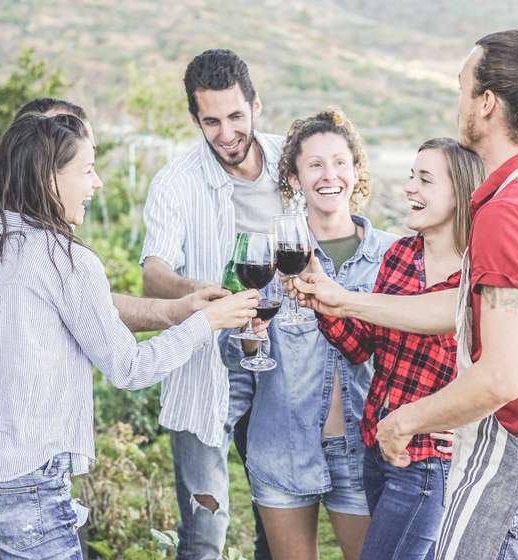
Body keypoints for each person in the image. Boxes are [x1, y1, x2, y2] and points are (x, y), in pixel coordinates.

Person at [293, 29, 518, 560]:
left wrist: (405, 420)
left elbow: (500, 378)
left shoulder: (510, 212)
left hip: (516, 467)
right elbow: (461, 310)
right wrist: (340, 300)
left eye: (462, 88)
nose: (456, 102)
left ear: (486, 104)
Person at [0, 113, 259, 558]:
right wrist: (207, 323)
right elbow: (129, 368)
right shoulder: (64, 259)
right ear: (49, 178)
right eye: (87, 170)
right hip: (19, 486)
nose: (98, 183)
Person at [220, 108, 398, 560]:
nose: (329, 175)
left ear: (356, 172)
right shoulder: (271, 252)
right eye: (314, 165)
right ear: (295, 179)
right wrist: (248, 333)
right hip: (282, 446)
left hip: (364, 449)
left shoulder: (392, 256)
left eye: (340, 162)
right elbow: (235, 353)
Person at [140, 49, 282, 559]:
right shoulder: (175, 182)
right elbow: (153, 272)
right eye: (212, 121)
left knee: (281, 512)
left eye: (236, 116)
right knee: (204, 530)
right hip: (206, 359)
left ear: (256, 106)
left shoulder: (293, 163)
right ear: (195, 119)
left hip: (282, 355)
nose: (227, 133)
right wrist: (197, 292)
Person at [314, 138, 483, 560]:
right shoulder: (400, 255)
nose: (410, 188)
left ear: (460, 193)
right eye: (412, 175)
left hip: (427, 462)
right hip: (378, 448)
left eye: (424, 180)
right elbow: (361, 348)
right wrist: (322, 303)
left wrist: (342, 298)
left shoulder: (477, 278)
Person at [13, 97, 230, 332]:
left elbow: (93, 304)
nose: (97, 181)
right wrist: (198, 319)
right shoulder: (34, 251)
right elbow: (126, 362)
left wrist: (183, 308)